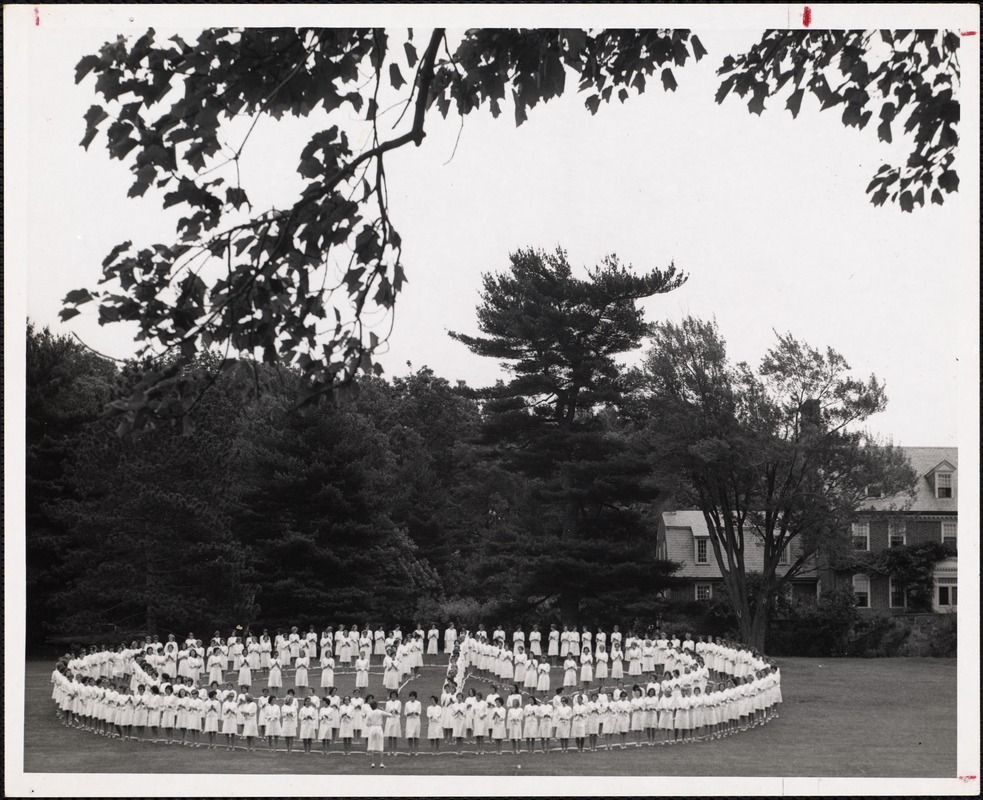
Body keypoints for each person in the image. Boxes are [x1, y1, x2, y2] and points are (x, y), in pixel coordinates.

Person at [365, 699, 396, 768]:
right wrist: (383, 710)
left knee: (372, 745)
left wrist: (371, 724)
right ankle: (381, 763)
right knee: (380, 745)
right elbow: (390, 715)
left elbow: (367, 723)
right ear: (376, 705)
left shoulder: (369, 713)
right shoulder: (380, 711)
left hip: (372, 728)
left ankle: (373, 763)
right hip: (379, 728)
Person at [404, 690, 422, 755]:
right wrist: (410, 713)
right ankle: (410, 750)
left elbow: (419, 712)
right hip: (409, 721)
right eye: (411, 697)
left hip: (416, 721)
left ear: (415, 697)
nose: (412, 698)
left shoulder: (418, 703)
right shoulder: (407, 704)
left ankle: (416, 751)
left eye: (413, 697)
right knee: (410, 736)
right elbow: (405, 713)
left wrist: (415, 713)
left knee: (416, 736)